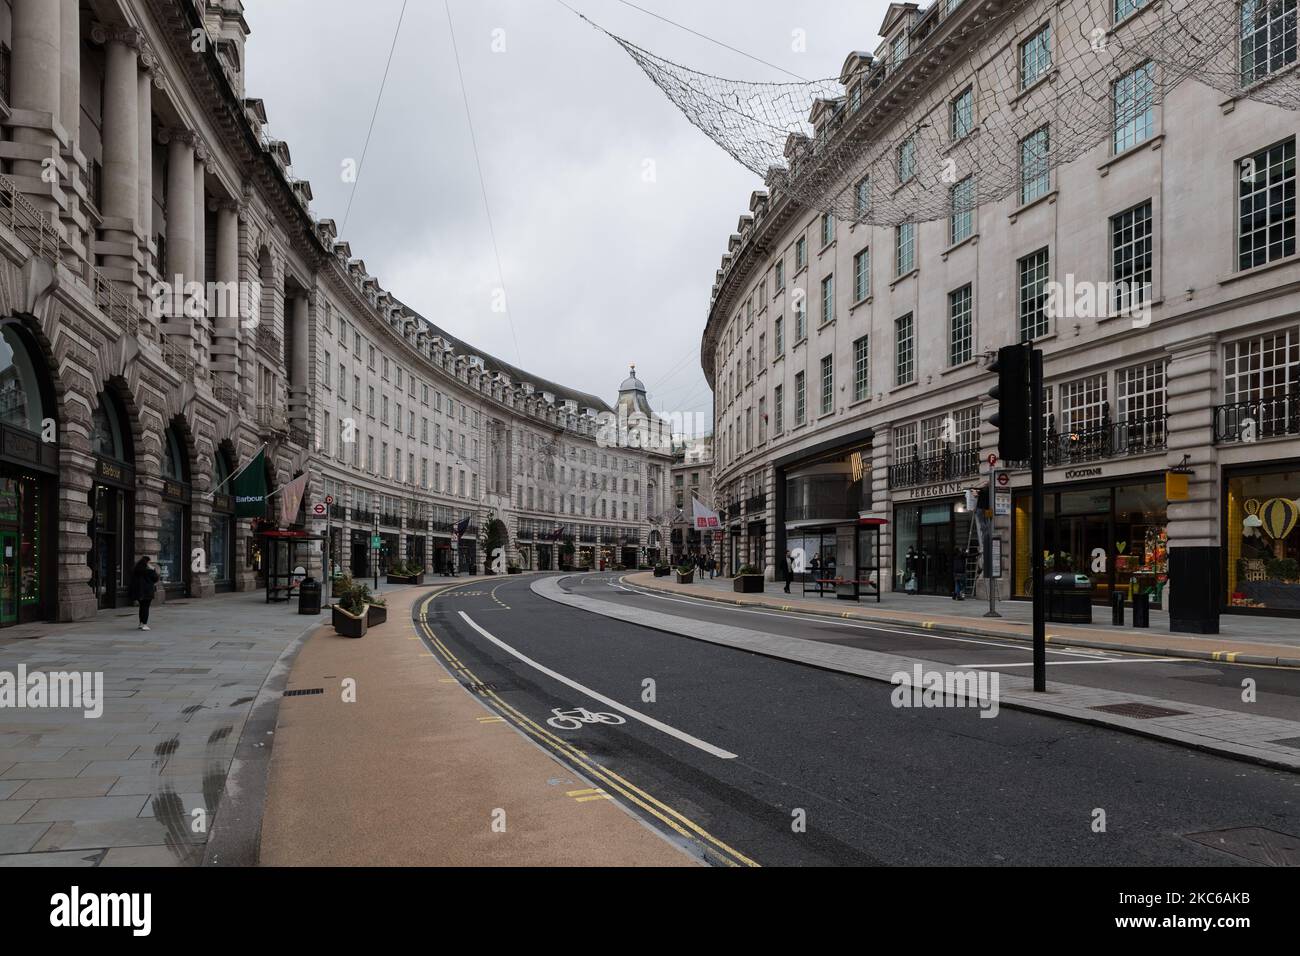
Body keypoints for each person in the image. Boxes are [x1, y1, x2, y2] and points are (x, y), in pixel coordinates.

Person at [130, 556, 159, 631]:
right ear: (147, 563)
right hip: (147, 591)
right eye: (149, 562)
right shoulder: (149, 571)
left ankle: (141, 623)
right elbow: (155, 579)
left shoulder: (136, 570)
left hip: (139, 591)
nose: (150, 564)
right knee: (146, 607)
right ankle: (144, 624)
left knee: (142, 607)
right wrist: (153, 569)